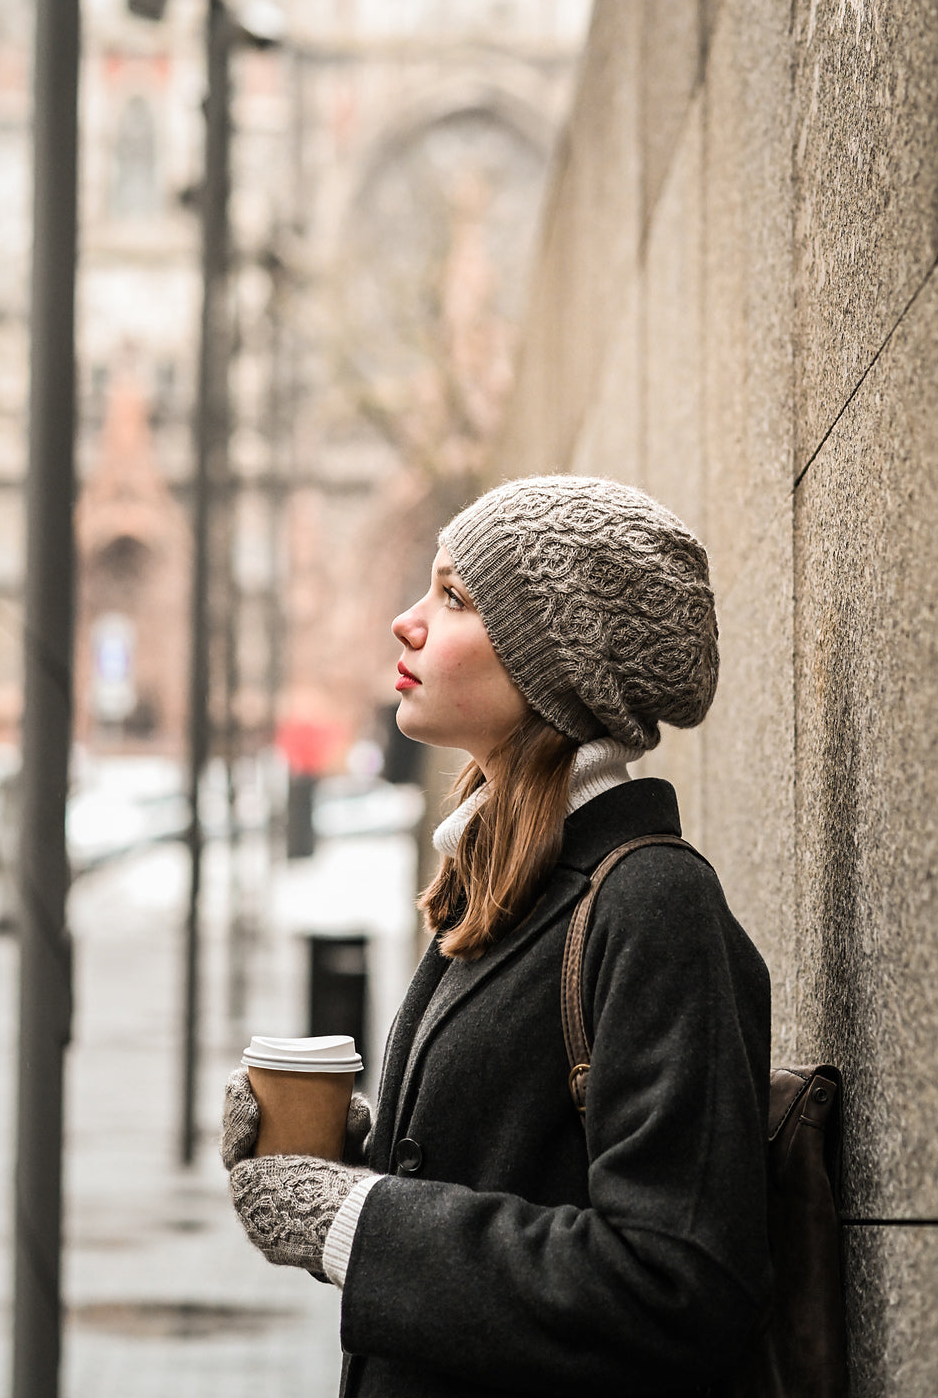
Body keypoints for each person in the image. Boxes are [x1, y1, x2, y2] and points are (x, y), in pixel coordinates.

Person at [222, 475, 772, 1396]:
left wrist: (358, 1220)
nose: (409, 622)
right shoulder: (509, 879)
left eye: (455, 596)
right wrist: (341, 1158)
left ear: (555, 658)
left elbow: (678, 1285)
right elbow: (522, 1173)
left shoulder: (652, 901)